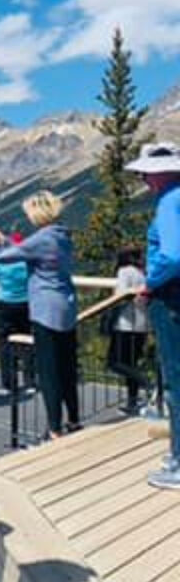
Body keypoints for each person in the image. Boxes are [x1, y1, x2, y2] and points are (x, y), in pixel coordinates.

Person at [0, 193, 79, 438]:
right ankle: (74, 419)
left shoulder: (42, 238)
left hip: (45, 309)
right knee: (67, 367)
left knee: (49, 370)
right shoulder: (62, 234)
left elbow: (0, 257)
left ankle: (55, 428)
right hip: (66, 306)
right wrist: (4, 239)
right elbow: (26, 250)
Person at [126, 141, 180, 489]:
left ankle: (178, 462)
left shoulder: (169, 201)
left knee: (175, 377)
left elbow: (173, 255)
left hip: (172, 298)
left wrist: (149, 283)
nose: (144, 178)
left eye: (147, 172)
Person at [108, 247, 153, 415]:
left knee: (115, 362)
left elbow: (120, 294)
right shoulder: (143, 274)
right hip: (142, 325)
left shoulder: (124, 271)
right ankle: (132, 401)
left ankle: (145, 382)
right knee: (131, 362)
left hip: (124, 324)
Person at [0, 239, 31, 396]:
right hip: (25, 304)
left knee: (5, 343)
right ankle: (30, 379)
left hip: (5, 305)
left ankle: (9, 383)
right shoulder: (26, 265)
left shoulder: (0, 266)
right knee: (27, 342)